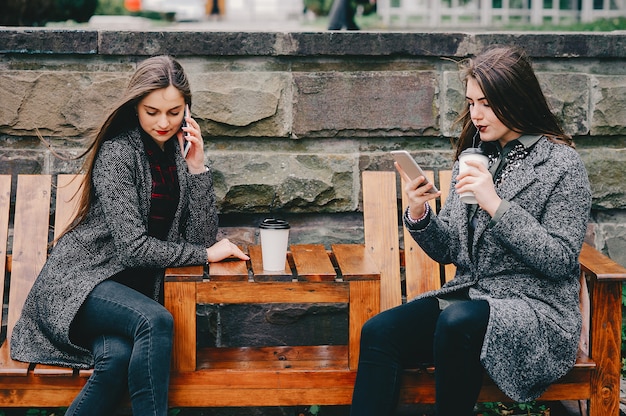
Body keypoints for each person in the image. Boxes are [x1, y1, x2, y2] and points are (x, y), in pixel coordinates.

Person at [350, 45, 592, 415]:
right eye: (471, 102)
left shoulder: (561, 165)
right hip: (471, 299)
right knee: (379, 331)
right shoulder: (477, 154)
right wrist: (419, 212)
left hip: (536, 312)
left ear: (517, 99)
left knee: (456, 321)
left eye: (486, 104)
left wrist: (495, 204)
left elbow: (559, 261)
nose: (476, 115)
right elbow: (449, 248)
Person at [10, 55, 249, 416]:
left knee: (117, 358)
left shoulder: (177, 154)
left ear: (187, 110)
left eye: (174, 112)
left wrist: (198, 168)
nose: (163, 122)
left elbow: (200, 238)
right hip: (80, 285)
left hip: (126, 297)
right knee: (155, 321)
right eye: (152, 111)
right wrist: (205, 256)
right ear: (136, 105)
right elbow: (134, 248)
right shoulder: (118, 153)